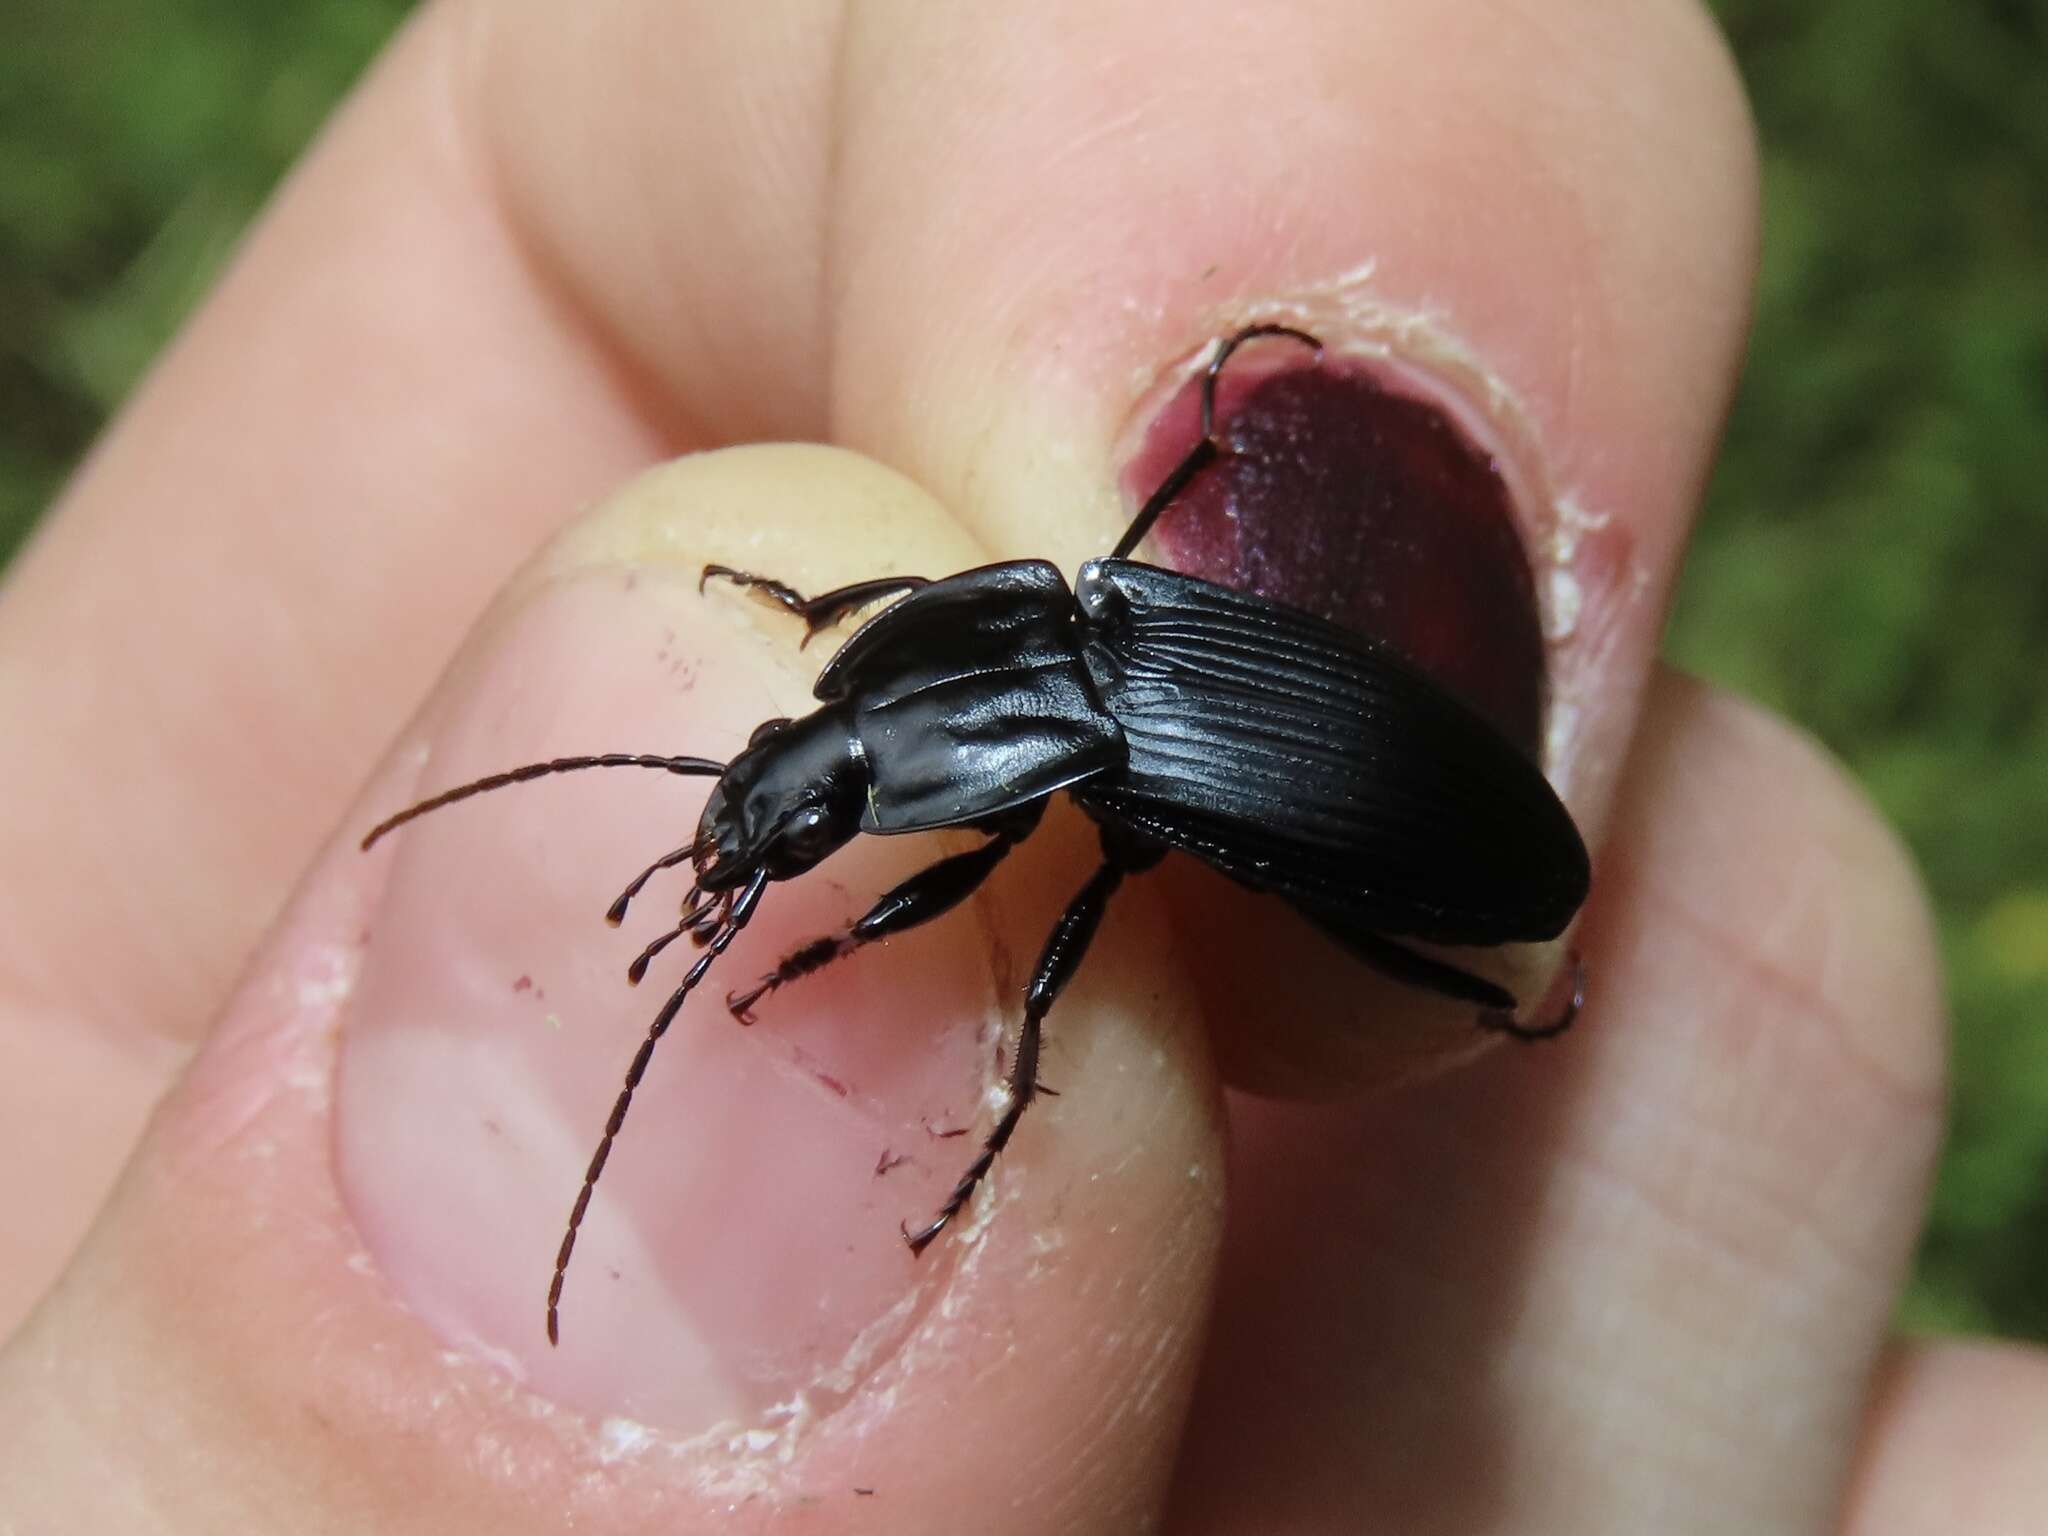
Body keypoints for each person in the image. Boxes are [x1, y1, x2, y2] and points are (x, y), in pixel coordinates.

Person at [0, 2, 2027, 1529]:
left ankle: (1488, 998)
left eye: (816, 778)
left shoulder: (1082, 713)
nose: (794, 811)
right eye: (817, 771)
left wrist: (829, 977)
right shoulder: (1059, 641)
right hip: (1266, 732)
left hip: (1437, 823)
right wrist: (821, 733)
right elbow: (930, 649)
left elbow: (962, 778)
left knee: (1282, 936)